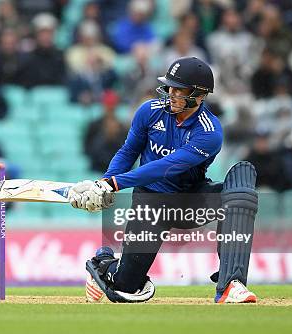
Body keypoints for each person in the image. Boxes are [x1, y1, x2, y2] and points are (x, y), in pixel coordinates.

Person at [68, 57, 259, 304]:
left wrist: (114, 184)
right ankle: (104, 263)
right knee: (125, 288)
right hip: (151, 202)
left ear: (199, 94)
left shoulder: (209, 132)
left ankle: (231, 284)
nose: (172, 93)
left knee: (241, 189)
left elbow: (167, 167)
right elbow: (128, 151)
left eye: (180, 89)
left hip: (191, 201)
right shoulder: (149, 111)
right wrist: (105, 183)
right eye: (170, 87)